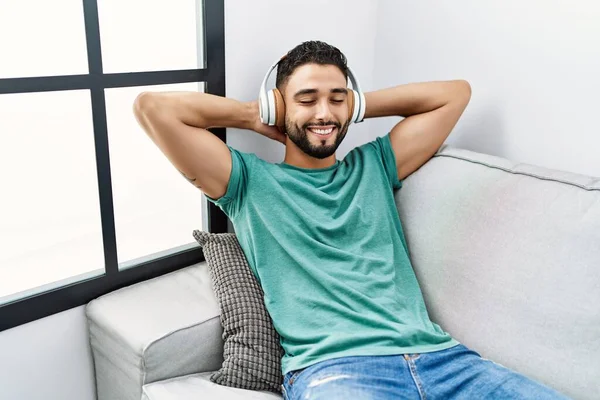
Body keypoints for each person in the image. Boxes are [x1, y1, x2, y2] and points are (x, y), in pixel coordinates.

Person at [133, 41, 569, 400]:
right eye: (307, 100)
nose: (324, 114)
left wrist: (353, 104)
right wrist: (254, 113)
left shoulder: (375, 165)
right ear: (278, 105)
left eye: (336, 99)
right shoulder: (247, 181)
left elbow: (456, 93)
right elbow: (152, 108)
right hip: (336, 371)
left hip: (445, 361)